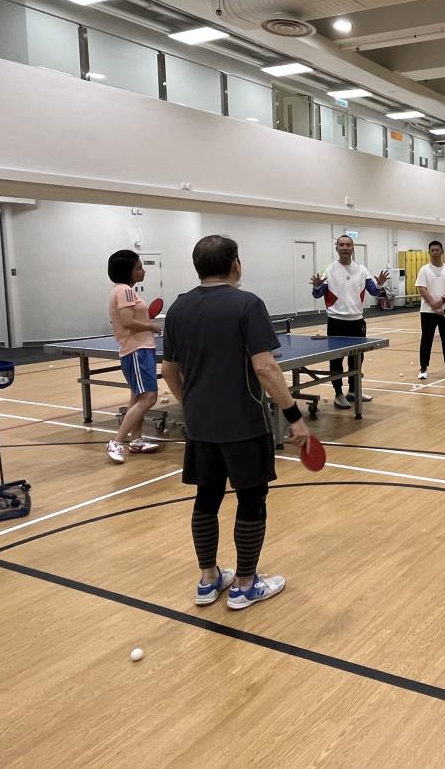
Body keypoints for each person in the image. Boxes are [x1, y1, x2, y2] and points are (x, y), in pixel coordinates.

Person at [162, 235, 308, 611]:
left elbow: (169, 370)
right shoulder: (248, 304)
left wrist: (191, 404)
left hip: (201, 425)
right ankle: (244, 585)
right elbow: (265, 367)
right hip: (245, 422)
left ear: (197, 267)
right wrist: (294, 416)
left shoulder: (178, 308)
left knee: (206, 497)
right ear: (235, 265)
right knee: (251, 498)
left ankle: (208, 579)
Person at [311, 235, 389, 409]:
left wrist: (380, 284)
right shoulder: (328, 270)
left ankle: (353, 391)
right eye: (341, 245)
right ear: (336, 248)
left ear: (353, 248)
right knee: (336, 360)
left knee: (357, 358)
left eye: (348, 245)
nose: (345, 248)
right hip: (336, 321)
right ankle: (338, 393)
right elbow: (317, 294)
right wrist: (317, 286)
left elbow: (374, 291)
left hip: (357, 321)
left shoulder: (362, 270)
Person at [104, 250, 162, 465]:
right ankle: (117, 441)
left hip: (138, 349)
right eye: (138, 267)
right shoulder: (126, 291)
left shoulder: (120, 290)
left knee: (137, 398)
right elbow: (128, 322)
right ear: (127, 271)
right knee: (149, 398)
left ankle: (136, 440)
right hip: (137, 350)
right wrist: (152, 326)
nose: (143, 271)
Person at [416, 240, 445, 380]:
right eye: (432, 250)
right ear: (429, 252)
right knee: (426, 339)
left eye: (437, 250)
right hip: (427, 311)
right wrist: (433, 304)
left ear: (442, 252)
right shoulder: (424, 269)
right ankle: (423, 368)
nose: (435, 252)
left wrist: (441, 302)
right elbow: (422, 289)